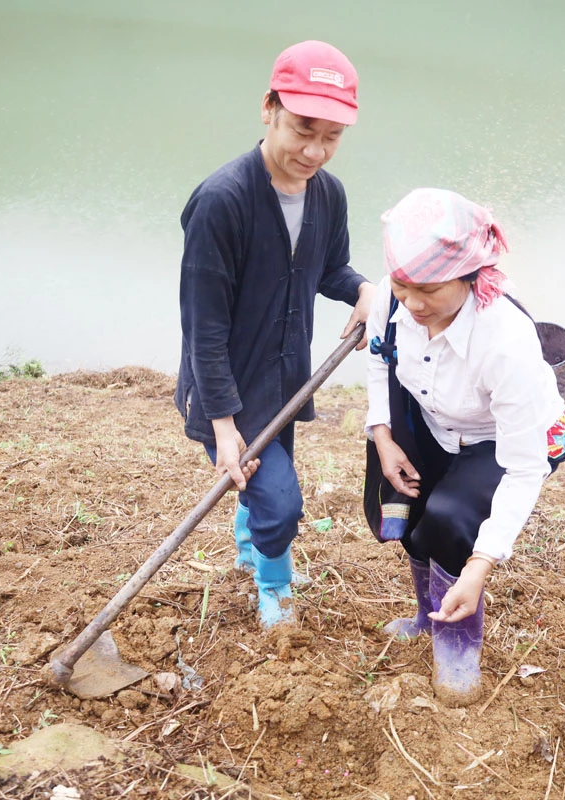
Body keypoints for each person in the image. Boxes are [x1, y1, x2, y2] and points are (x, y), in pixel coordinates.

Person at [174, 41, 375, 630]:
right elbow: (202, 330)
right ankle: (274, 584)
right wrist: (224, 426)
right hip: (228, 393)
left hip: (286, 380)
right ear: (269, 108)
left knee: (269, 495)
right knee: (281, 506)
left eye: (332, 136)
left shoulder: (328, 194)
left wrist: (361, 288)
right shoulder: (222, 203)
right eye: (301, 130)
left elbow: (327, 268)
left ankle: (249, 546)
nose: (314, 151)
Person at [363, 188, 565, 706]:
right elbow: (376, 362)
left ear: (470, 277)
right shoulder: (393, 299)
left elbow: (523, 470)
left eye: (430, 290)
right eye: (402, 285)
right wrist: (384, 439)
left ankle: (457, 644)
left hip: (506, 440)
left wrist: (479, 568)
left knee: (453, 516)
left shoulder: (505, 342)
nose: (412, 303)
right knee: (407, 508)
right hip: (435, 419)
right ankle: (425, 613)